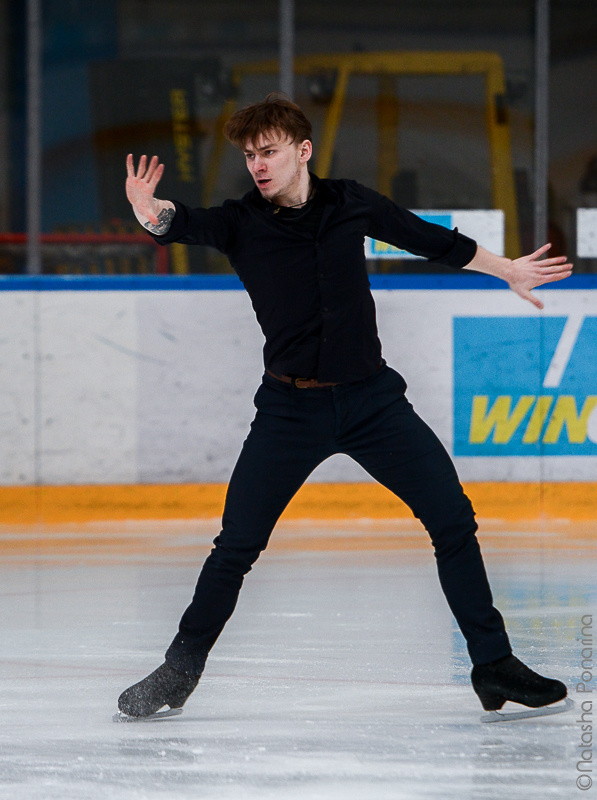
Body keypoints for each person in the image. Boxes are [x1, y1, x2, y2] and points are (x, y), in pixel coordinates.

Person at [116, 93, 572, 721]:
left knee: (452, 520)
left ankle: (493, 665)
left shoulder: (349, 202)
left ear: (303, 151)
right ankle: (179, 668)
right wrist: (150, 212)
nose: (258, 164)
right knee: (237, 545)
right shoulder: (240, 222)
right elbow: (181, 221)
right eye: (250, 155)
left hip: (373, 403)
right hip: (288, 410)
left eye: (269, 151)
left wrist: (505, 271)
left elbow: (429, 240)